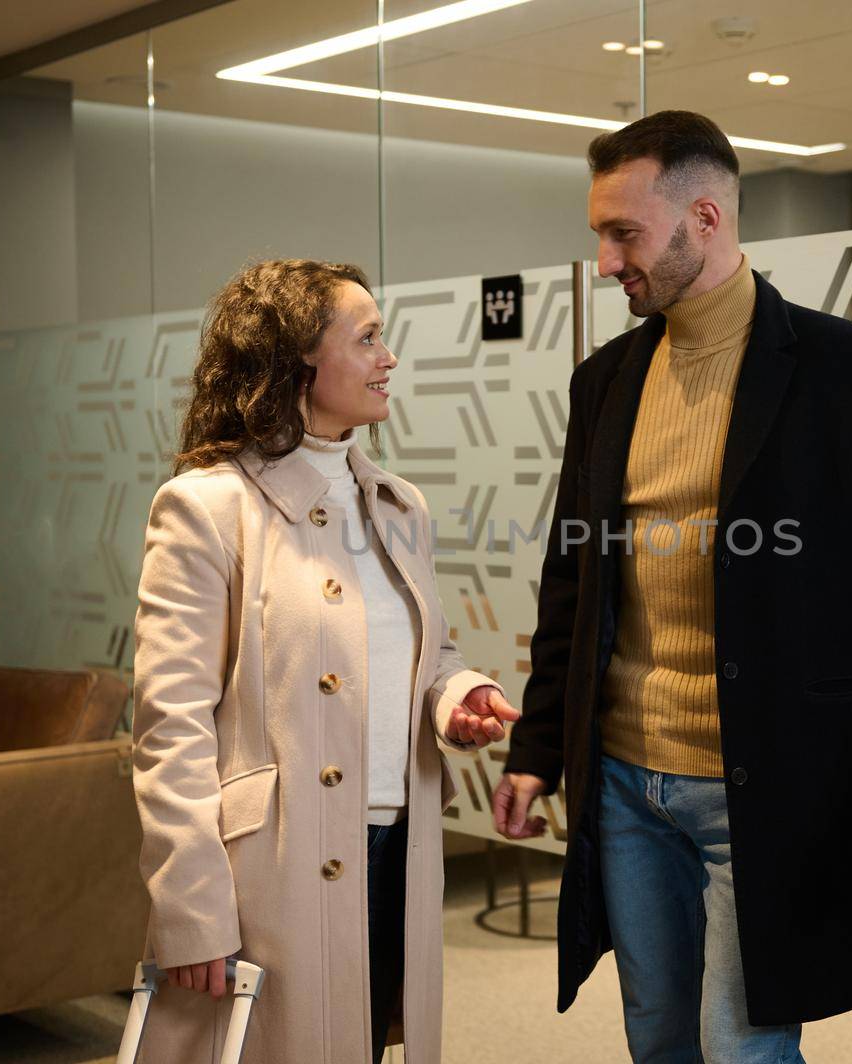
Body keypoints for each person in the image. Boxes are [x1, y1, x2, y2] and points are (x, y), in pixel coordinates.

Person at [491, 111, 852, 1063]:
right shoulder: (606, 383)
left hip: (769, 779)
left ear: (704, 217)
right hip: (629, 782)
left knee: (740, 1047)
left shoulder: (843, 368)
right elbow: (573, 588)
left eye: (623, 234)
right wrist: (538, 748)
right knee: (661, 1039)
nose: (603, 262)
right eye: (600, 234)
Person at [132, 258, 518, 1064]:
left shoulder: (398, 504)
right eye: (368, 338)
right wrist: (192, 908)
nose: (390, 358)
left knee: (367, 1044)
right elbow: (171, 729)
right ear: (297, 360)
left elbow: (426, 651)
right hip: (270, 869)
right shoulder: (208, 507)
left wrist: (456, 696)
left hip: (397, 847)